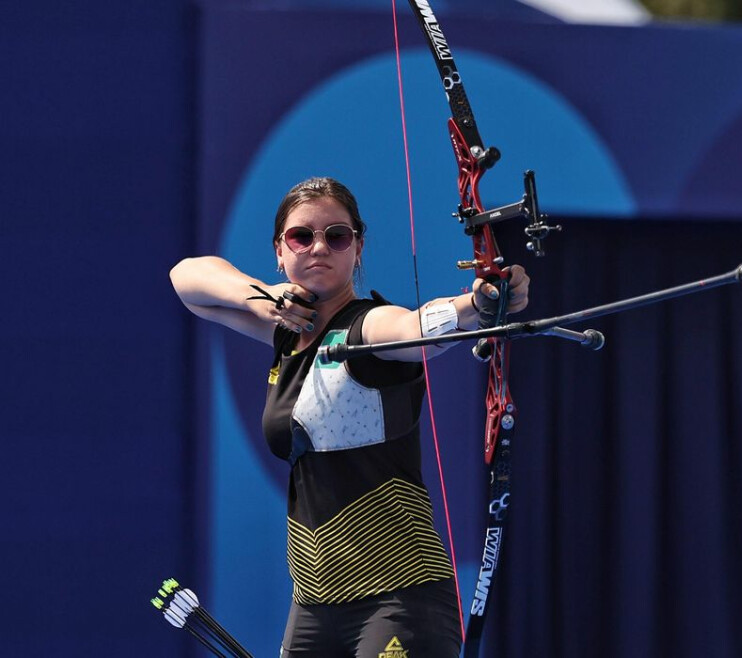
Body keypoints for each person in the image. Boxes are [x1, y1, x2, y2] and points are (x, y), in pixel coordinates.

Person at [170, 176, 529, 657]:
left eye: (336, 236)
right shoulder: (285, 334)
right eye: (302, 236)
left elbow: (415, 327)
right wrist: (263, 296)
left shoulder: (367, 326)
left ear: (357, 248)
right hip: (314, 607)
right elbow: (187, 279)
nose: (319, 247)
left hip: (399, 596)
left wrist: (477, 304)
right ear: (280, 250)